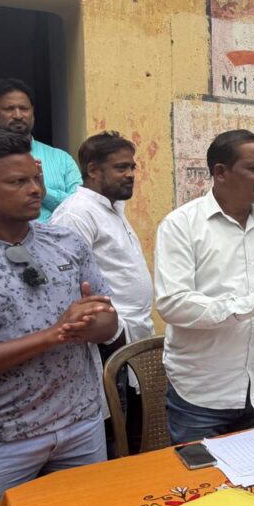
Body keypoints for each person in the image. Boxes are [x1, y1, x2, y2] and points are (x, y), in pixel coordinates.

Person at [0, 129, 120, 506]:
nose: (35, 190)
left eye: (36, 178)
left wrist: (98, 323)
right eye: (18, 182)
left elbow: (108, 320)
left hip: (80, 426)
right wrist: (54, 334)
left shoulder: (66, 242)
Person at [155, 129, 254, 444]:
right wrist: (253, 303)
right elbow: (173, 304)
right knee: (205, 477)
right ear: (220, 172)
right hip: (202, 396)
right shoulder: (181, 225)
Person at [51, 131, 155, 453]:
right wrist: (114, 334)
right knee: (116, 437)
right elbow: (67, 285)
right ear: (93, 170)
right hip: (109, 342)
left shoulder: (112, 208)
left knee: (137, 431)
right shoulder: (76, 213)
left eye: (132, 167)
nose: (131, 174)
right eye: (121, 168)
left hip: (131, 336)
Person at [0, 79, 81, 226]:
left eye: (24, 108)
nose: (18, 115)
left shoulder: (62, 159)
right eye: (9, 109)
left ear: (32, 112)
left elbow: (81, 208)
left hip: (55, 239)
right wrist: (3, 194)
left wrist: (45, 193)